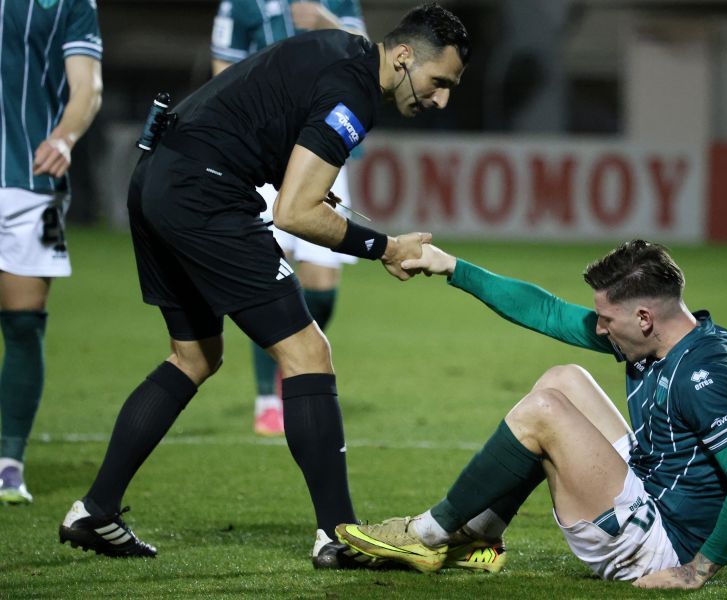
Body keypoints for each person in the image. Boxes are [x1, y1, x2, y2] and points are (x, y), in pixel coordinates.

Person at [58, 3, 469, 568]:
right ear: (403, 57)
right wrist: (385, 247)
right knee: (308, 354)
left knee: (194, 356)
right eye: (439, 81)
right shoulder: (353, 93)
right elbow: (294, 213)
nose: (440, 99)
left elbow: (265, 118)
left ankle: (95, 510)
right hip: (205, 193)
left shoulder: (342, 51)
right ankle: (337, 534)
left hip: (157, 176)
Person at [336, 241, 727, 589]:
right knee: (564, 380)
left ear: (644, 317)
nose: (599, 328)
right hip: (650, 485)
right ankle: (481, 535)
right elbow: (547, 311)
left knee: (543, 411)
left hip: (659, 542)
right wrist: (451, 266)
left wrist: (695, 572)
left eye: (606, 319)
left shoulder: (704, 378)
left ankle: (427, 535)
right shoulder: (669, 337)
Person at [211, 0, 370, 437]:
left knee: (323, 285)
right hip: (263, 151)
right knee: (269, 276)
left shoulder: (337, 1)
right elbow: (222, 71)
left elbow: (371, 58)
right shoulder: (240, 4)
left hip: (324, 147)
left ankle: (290, 358)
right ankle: (267, 397)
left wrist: (325, 22)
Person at [0, 0, 103, 505]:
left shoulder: (70, 2)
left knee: (23, 323)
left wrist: (64, 137)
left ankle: (8, 463)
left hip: (29, 177)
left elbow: (88, 86)